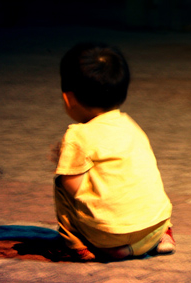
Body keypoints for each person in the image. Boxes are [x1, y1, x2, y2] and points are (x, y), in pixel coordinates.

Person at [52, 43, 174, 262]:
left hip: (108, 235)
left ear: (68, 98)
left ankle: (79, 246)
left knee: (61, 183)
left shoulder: (78, 135)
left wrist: (62, 161)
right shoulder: (131, 125)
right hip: (154, 224)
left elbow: (74, 187)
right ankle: (160, 238)